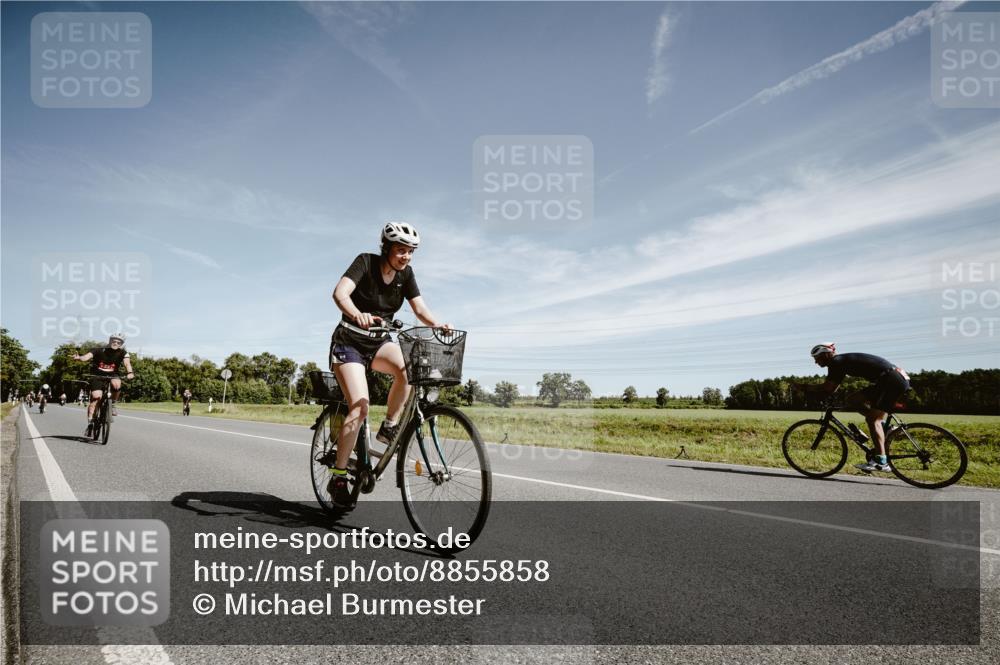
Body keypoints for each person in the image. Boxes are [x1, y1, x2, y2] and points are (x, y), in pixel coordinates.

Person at [326, 222, 451, 507]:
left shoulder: (405, 274)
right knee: (359, 406)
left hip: (379, 343)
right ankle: (338, 477)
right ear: (387, 248)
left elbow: (419, 308)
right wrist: (357, 314)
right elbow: (340, 293)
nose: (405, 256)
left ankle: (389, 427)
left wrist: (438, 324)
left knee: (408, 370)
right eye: (400, 250)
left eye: (410, 252)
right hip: (350, 343)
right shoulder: (365, 262)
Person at [797, 343, 911, 473]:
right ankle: (887, 428)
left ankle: (881, 462)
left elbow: (828, 388)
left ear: (827, 354)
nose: (816, 362)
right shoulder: (840, 362)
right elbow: (832, 388)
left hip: (890, 381)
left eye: (817, 358)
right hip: (892, 379)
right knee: (853, 400)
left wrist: (804, 387)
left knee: (873, 420)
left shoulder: (836, 362)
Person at [72, 333, 135, 437]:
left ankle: (113, 404)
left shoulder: (123, 353)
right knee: (96, 397)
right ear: (109, 341)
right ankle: (90, 423)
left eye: (119, 342)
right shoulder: (98, 350)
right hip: (97, 375)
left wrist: (130, 373)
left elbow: (127, 364)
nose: (116, 343)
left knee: (116, 384)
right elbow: (86, 357)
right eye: (114, 341)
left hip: (113, 375)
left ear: (121, 344)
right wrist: (79, 358)